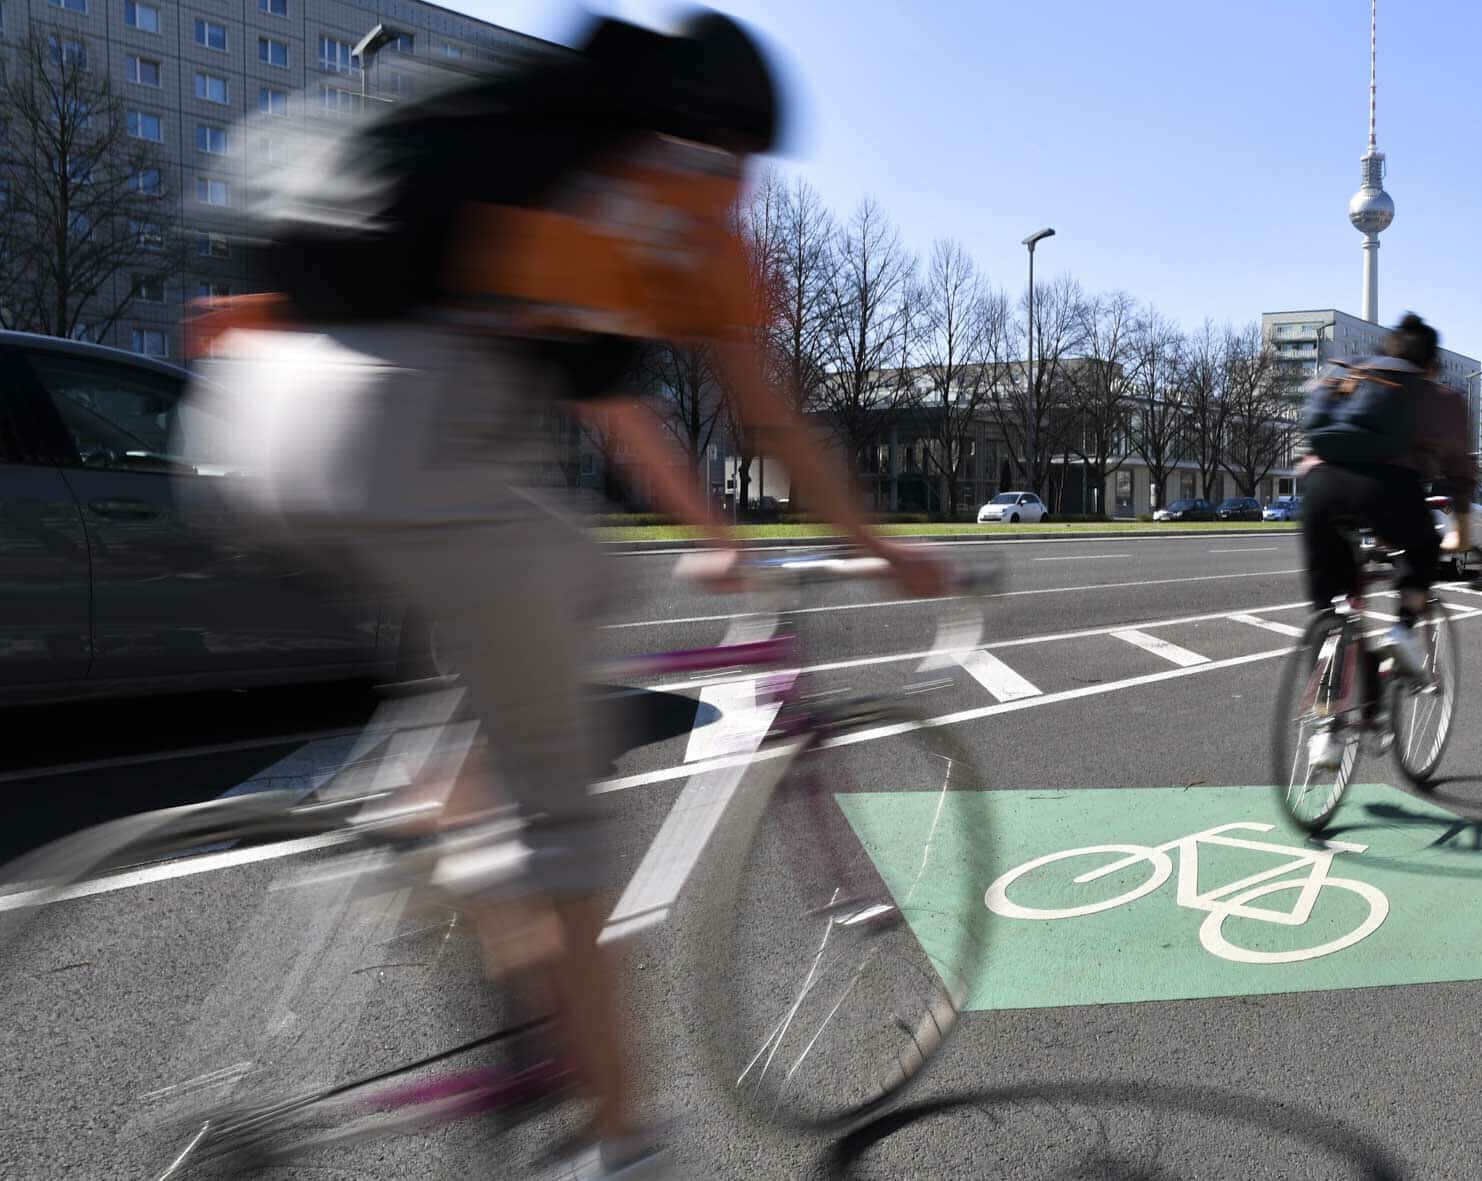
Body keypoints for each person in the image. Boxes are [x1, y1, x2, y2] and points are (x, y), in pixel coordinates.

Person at [184, 14, 944, 1178]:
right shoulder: (676, 207)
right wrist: (886, 551)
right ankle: (621, 1142)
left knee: (505, 656)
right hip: (410, 434)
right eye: (746, 166)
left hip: (256, 417)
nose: (742, 192)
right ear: (722, 141)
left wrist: (710, 531)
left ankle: (431, 844)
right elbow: (768, 415)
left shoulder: (544, 139)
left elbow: (615, 405)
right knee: (567, 775)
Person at [1295, 313, 1477, 768]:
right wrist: (1461, 530)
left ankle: (1327, 731)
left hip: (1320, 491)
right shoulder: (1433, 394)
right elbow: (1459, 468)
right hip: (1387, 489)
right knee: (1422, 550)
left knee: (1329, 613)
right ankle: (1404, 631)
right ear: (1431, 363)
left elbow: (1311, 435)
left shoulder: (1347, 375)